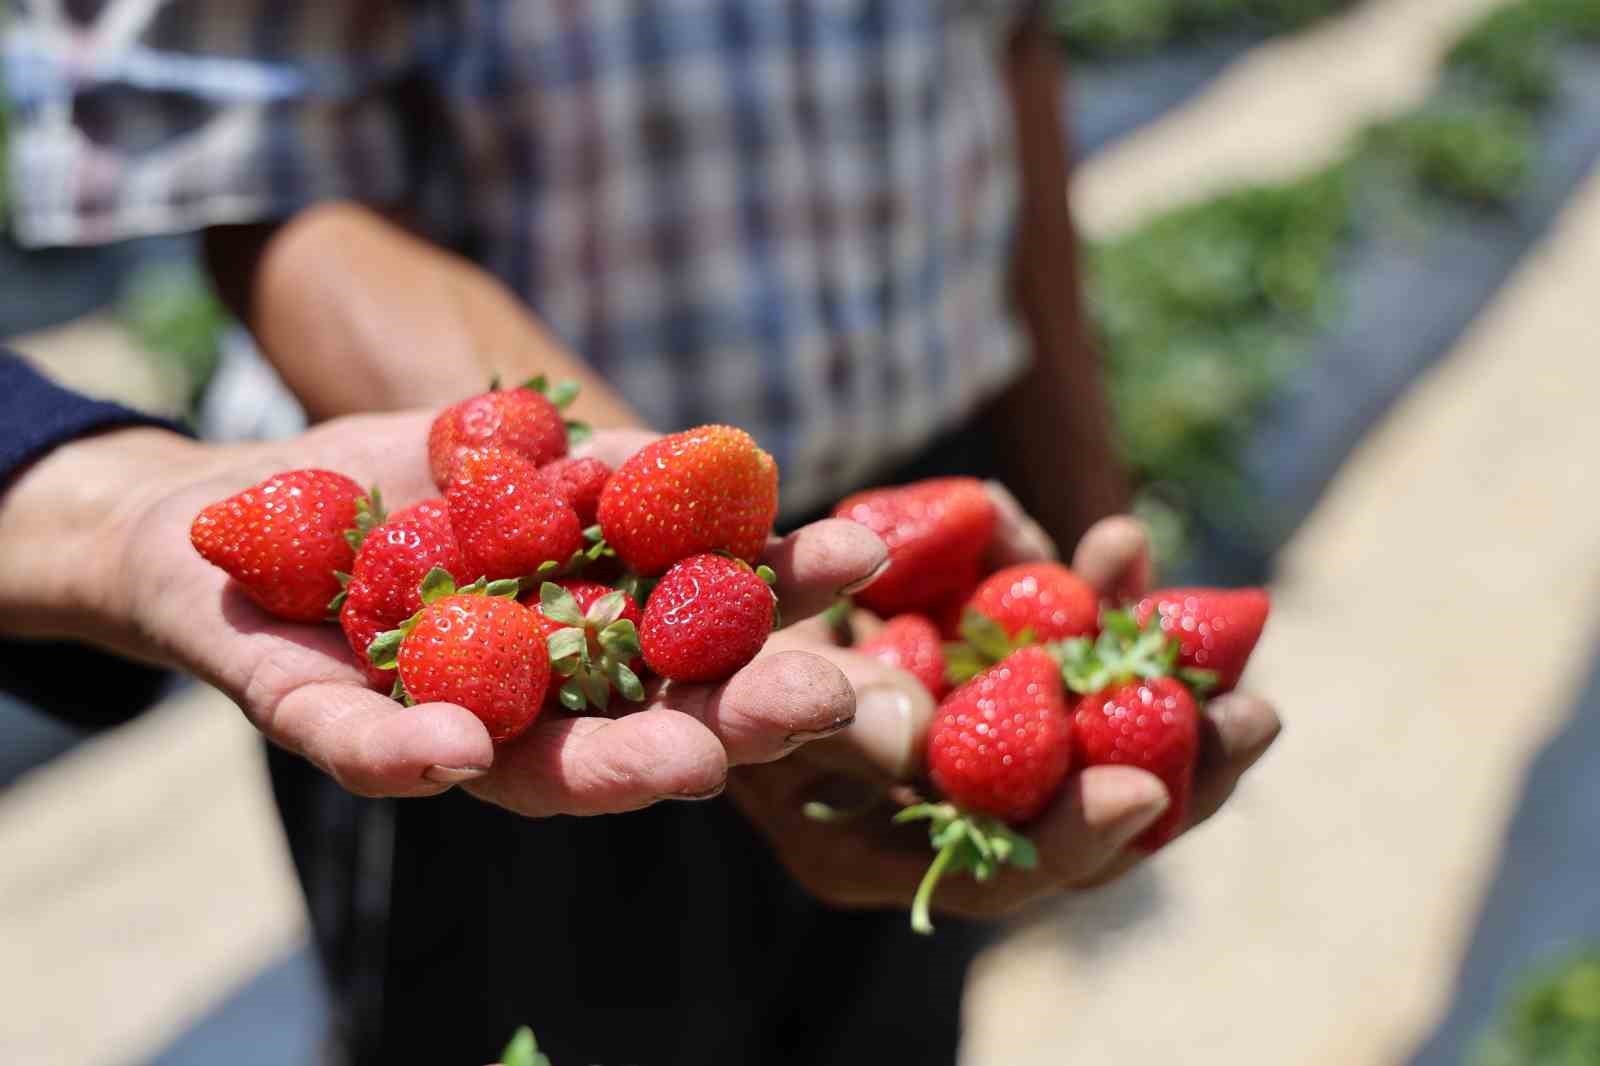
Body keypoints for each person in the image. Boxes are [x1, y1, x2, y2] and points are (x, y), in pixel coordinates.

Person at [1, 4, 1282, 1064]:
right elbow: (269, 171)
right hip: (547, 659)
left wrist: (1081, 522)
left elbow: (1009, 50)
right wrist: (629, 551)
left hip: (921, 546)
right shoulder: (499, 576)